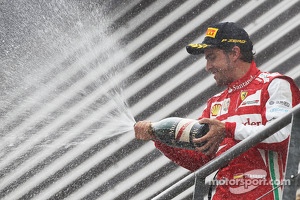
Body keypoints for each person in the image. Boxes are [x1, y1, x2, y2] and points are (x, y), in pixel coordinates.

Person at [134, 22, 300, 200]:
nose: (207, 67)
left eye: (212, 57)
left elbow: (284, 137)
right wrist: (158, 138)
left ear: (234, 53)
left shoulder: (275, 85)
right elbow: (200, 159)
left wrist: (227, 128)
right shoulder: (214, 104)